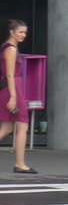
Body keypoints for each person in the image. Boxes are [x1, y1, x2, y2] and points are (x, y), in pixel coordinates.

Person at [0, 19, 36, 174]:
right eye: (21, 32)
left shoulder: (6, 47)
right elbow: (9, 74)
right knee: (23, 125)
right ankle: (20, 164)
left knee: (7, 127)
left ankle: (20, 163)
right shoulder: (12, 49)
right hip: (12, 89)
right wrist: (13, 97)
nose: (24, 35)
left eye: (25, 32)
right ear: (12, 32)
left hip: (10, 88)